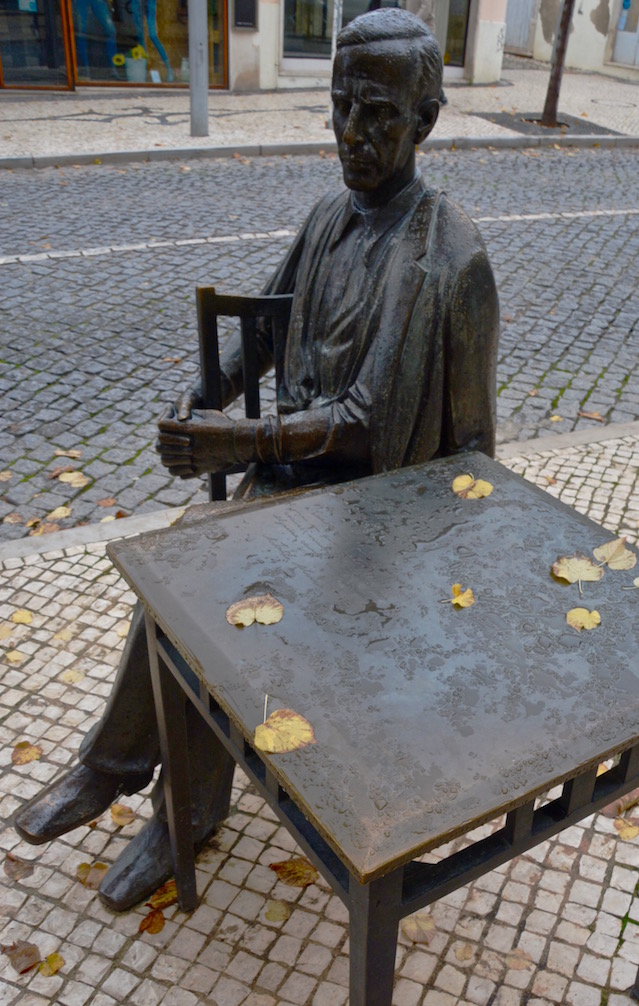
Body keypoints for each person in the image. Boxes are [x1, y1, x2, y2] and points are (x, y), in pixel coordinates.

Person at [14, 8, 498, 912]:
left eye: (378, 115)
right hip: (295, 496)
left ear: (426, 119)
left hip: (386, 524)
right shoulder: (329, 214)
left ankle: (161, 798)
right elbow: (269, 330)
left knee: (202, 567)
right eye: (340, 108)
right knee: (193, 560)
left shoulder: (440, 254)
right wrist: (212, 396)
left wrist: (236, 443)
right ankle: (142, 782)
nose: (352, 136)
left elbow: (364, 421)